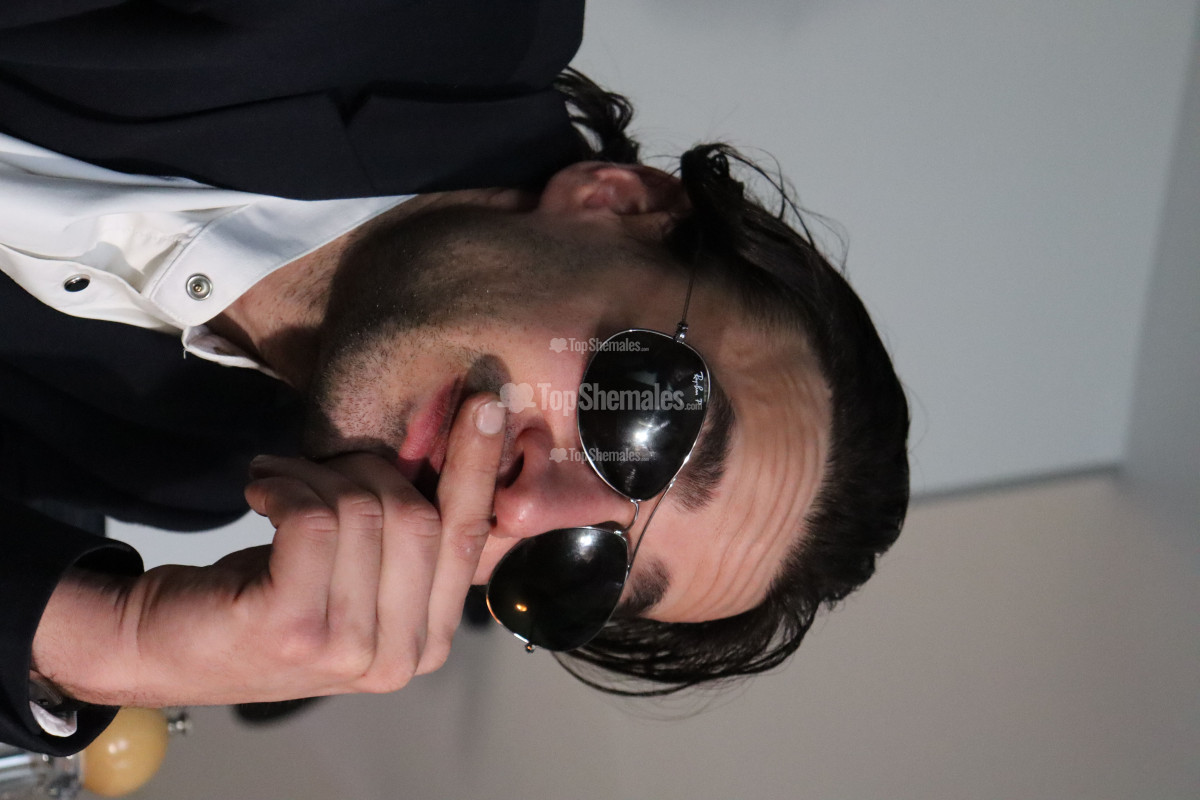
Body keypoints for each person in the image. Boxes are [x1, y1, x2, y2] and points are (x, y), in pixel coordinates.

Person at [0, 1, 909, 755]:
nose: (525, 509)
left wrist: (107, 635)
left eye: (581, 570)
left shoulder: (173, 466)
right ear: (620, 205)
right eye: (644, 422)